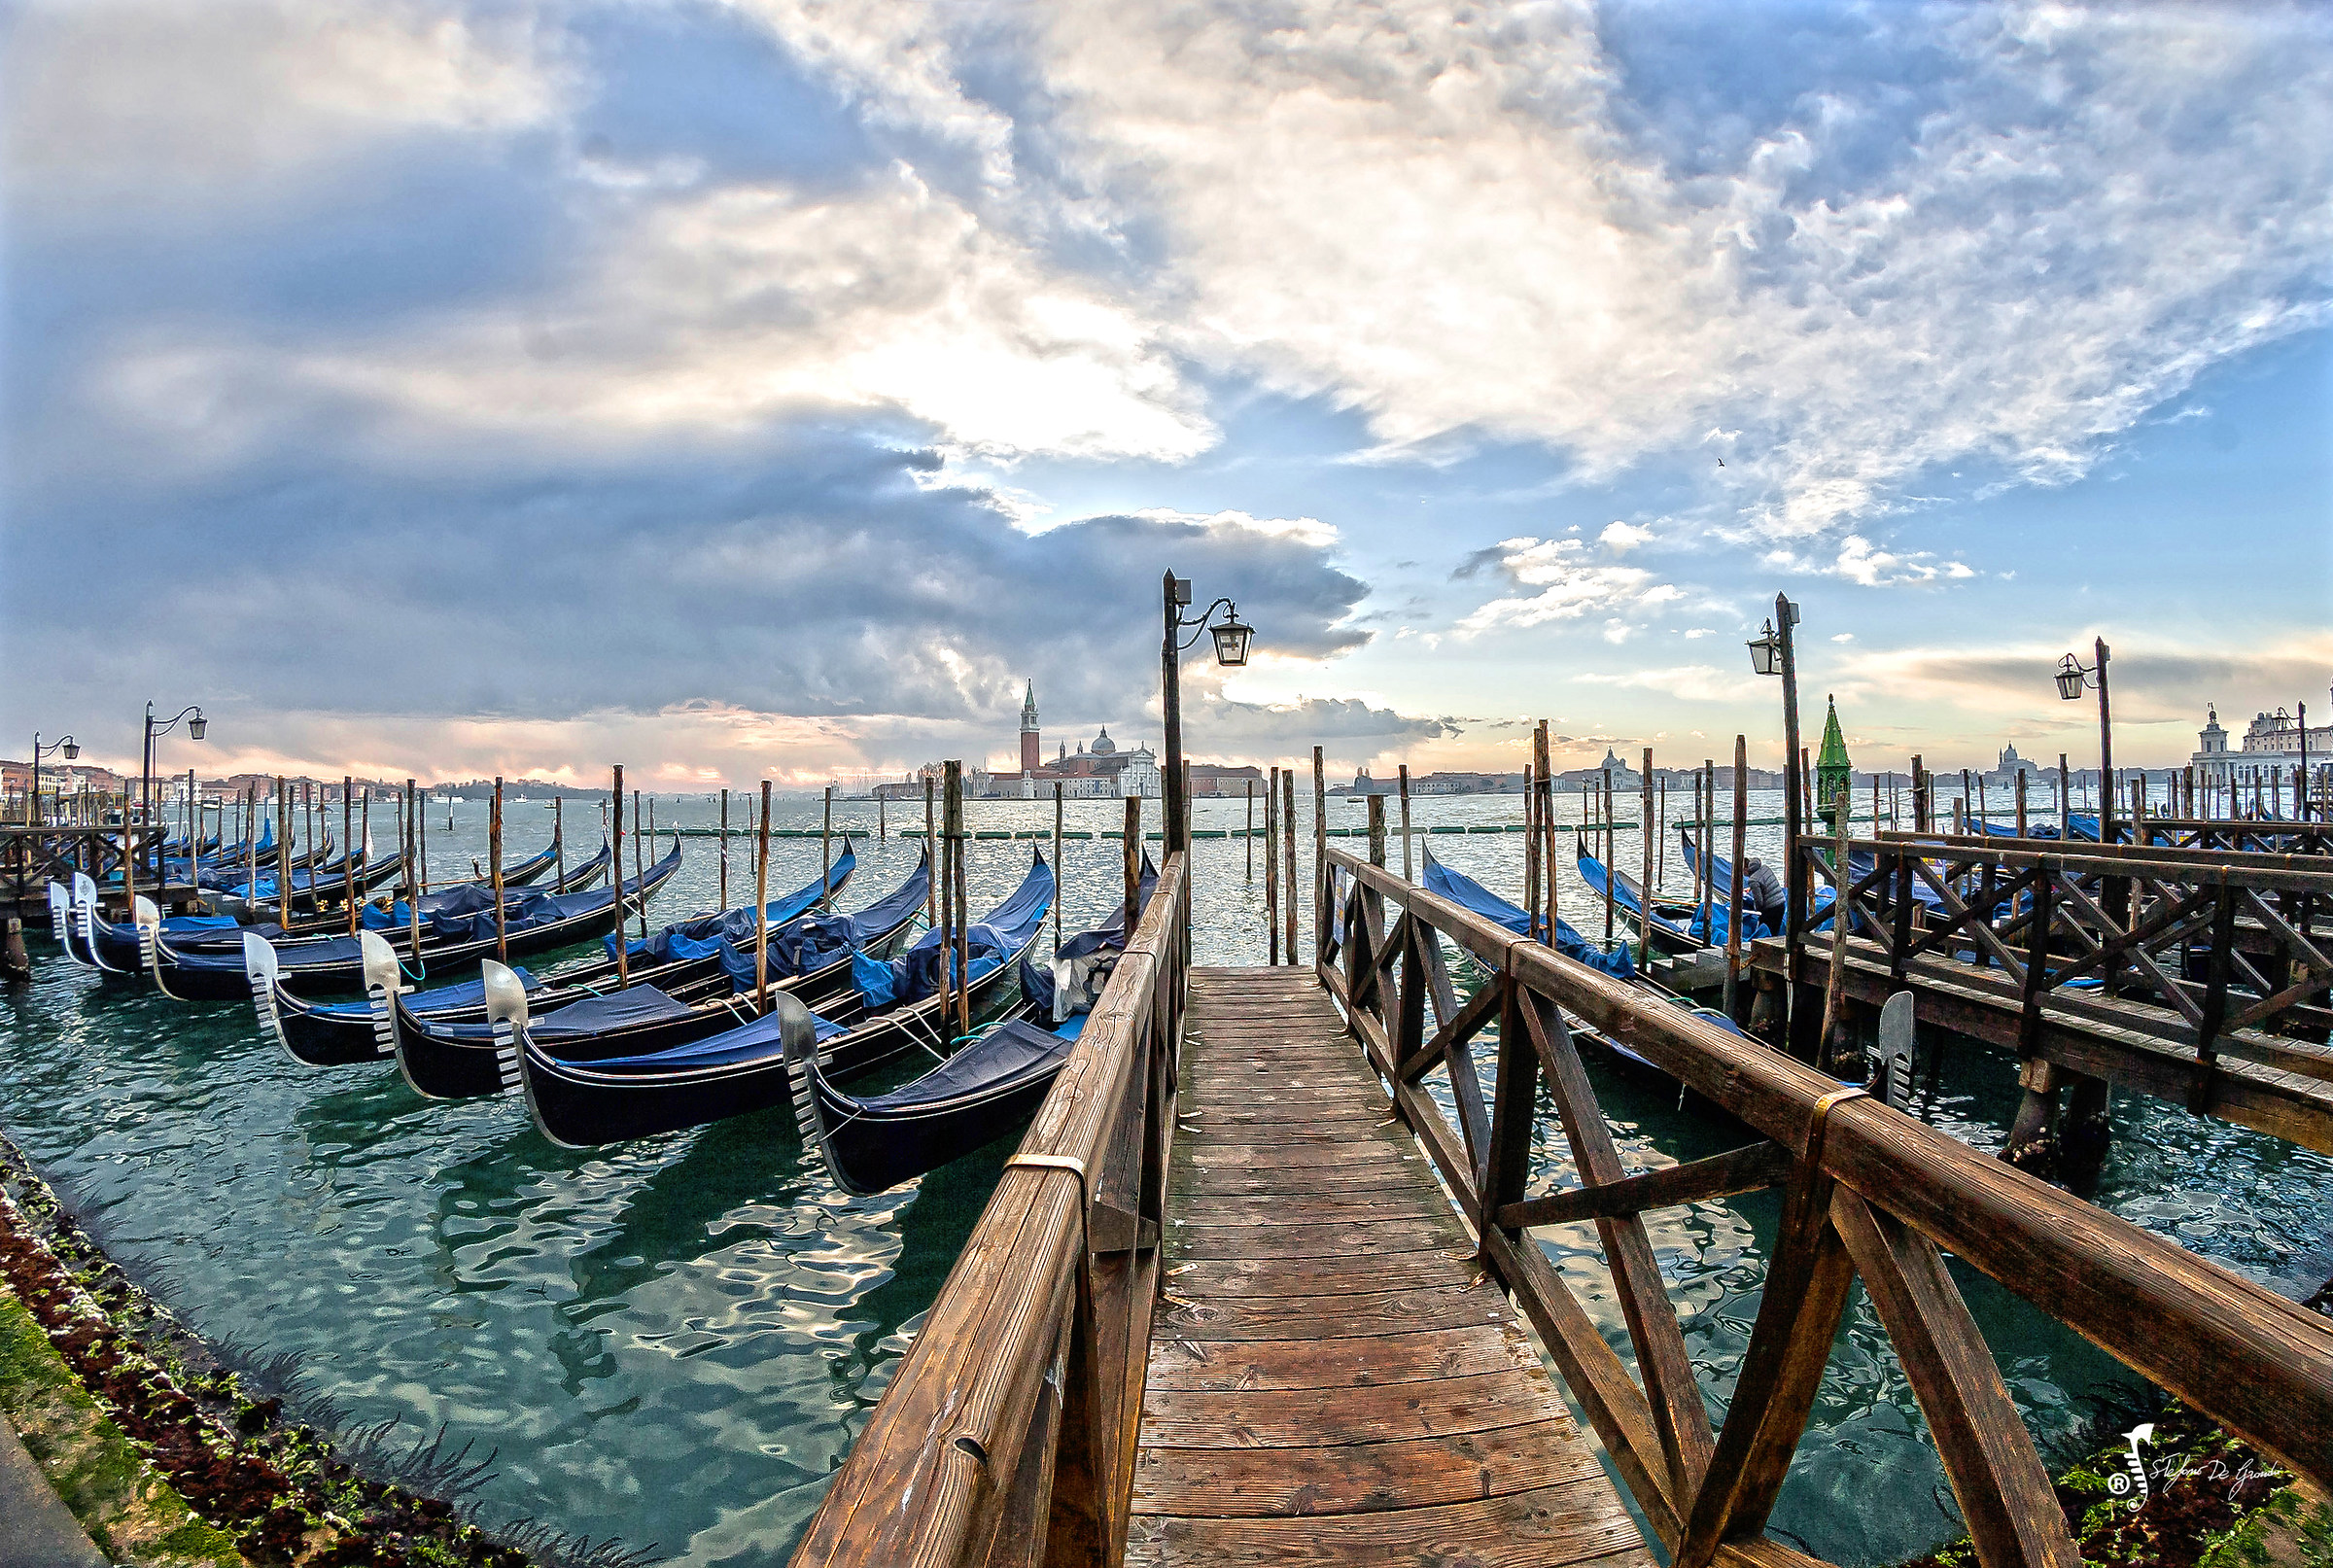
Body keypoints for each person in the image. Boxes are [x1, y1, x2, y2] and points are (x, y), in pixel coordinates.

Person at [1736, 855, 1787, 939]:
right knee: (1775, 934)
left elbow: (1759, 901)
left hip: (1771, 908)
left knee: (1764, 936)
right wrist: (1751, 889)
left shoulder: (1753, 880)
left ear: (1745, 869)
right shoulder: (1765, 868)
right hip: (1781, 903)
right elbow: (1766, 884)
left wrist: (1756, 910)